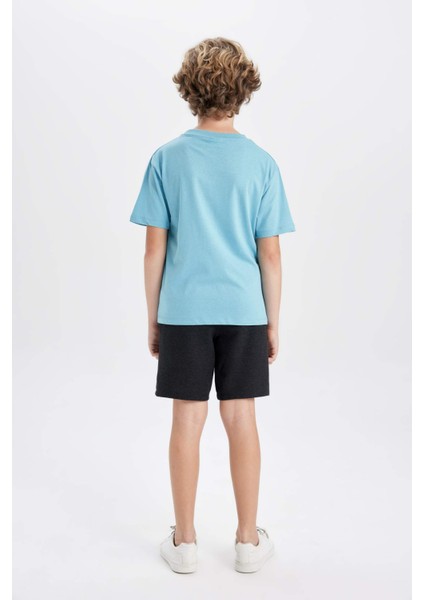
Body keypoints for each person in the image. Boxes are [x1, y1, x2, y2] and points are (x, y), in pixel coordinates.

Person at [129, 37, 295, 573]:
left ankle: (185, 542)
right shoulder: (261, 163)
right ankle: (247, 542)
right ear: (244, 90)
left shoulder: (166, 159)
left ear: (189, 90)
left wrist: (154, 317)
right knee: (241, 417)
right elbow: (270, 254)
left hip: (183, 311)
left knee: (187, 419)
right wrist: (272, 322)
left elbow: (153, 250)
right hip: (245, 311)